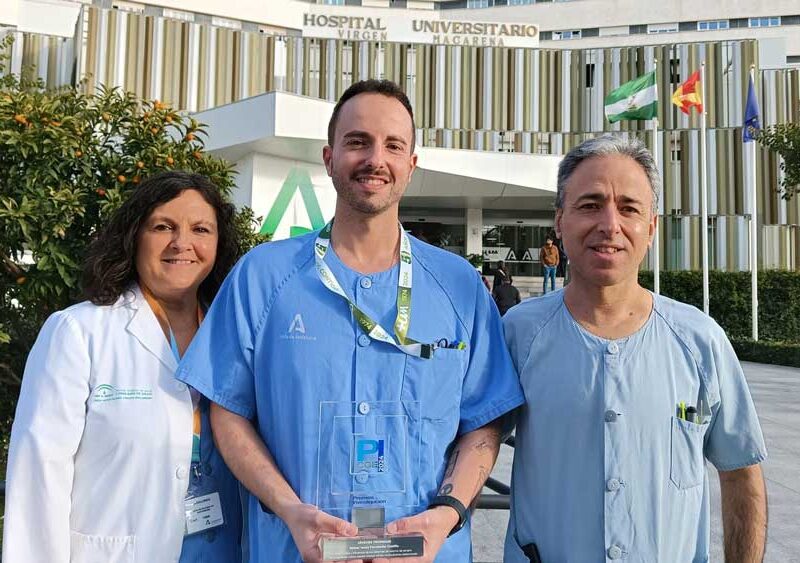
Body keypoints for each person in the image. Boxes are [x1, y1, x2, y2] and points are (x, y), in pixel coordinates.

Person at [176, 79, 525, 562]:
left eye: (393, 145)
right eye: (357, 142)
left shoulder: (460, 287)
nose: (374, 158)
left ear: (411, 165)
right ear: (329, 157)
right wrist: (289, 510)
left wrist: (444, 515)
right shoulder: (262, 277)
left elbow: (484, 423)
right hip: (292, 550)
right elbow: (228, 411)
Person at [503, 136, 767, 562]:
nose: (610, 225)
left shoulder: (700, 340)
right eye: (590, 205)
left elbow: (740, 472)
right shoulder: (518, 334)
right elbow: (468, 445)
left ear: (653, 227)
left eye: (629, 208)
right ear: (559, 220)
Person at [3, 171, 243, 563]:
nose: (183, 243)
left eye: (201, 229)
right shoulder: (80, 332)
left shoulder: (233, 334)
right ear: (134, 237)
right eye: (163, 226)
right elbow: (38, 475)